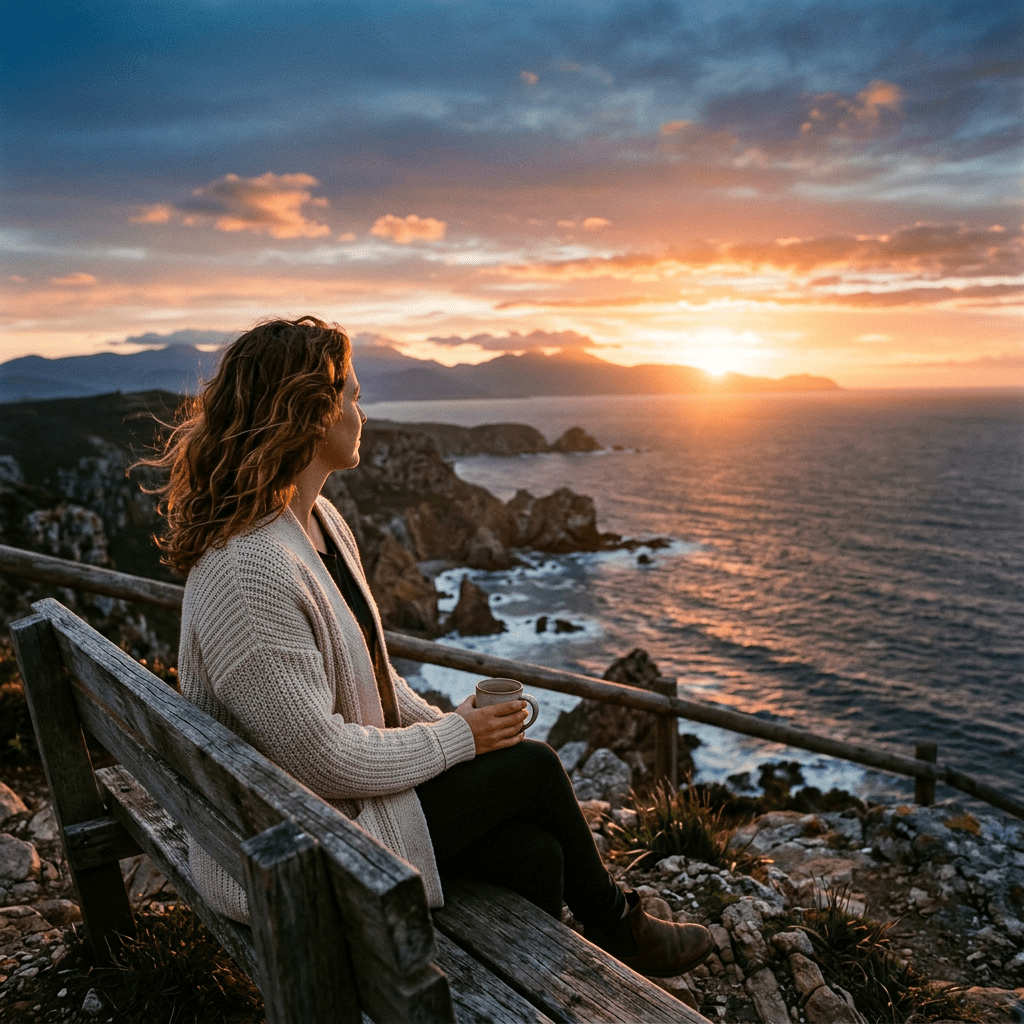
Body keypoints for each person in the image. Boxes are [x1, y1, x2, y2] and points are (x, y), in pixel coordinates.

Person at [147, 315, 712, 978]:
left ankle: (530, 990)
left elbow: (379, 684)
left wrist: (453, 724)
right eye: (351, 396)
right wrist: (460, 741)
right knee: (532, 768)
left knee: (541, 858)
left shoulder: (318, 524)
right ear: (308, 413)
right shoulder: (249, 569)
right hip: (291, 850)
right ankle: (622, 930)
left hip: (317, 819)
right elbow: (320, 760)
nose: (362, 410)